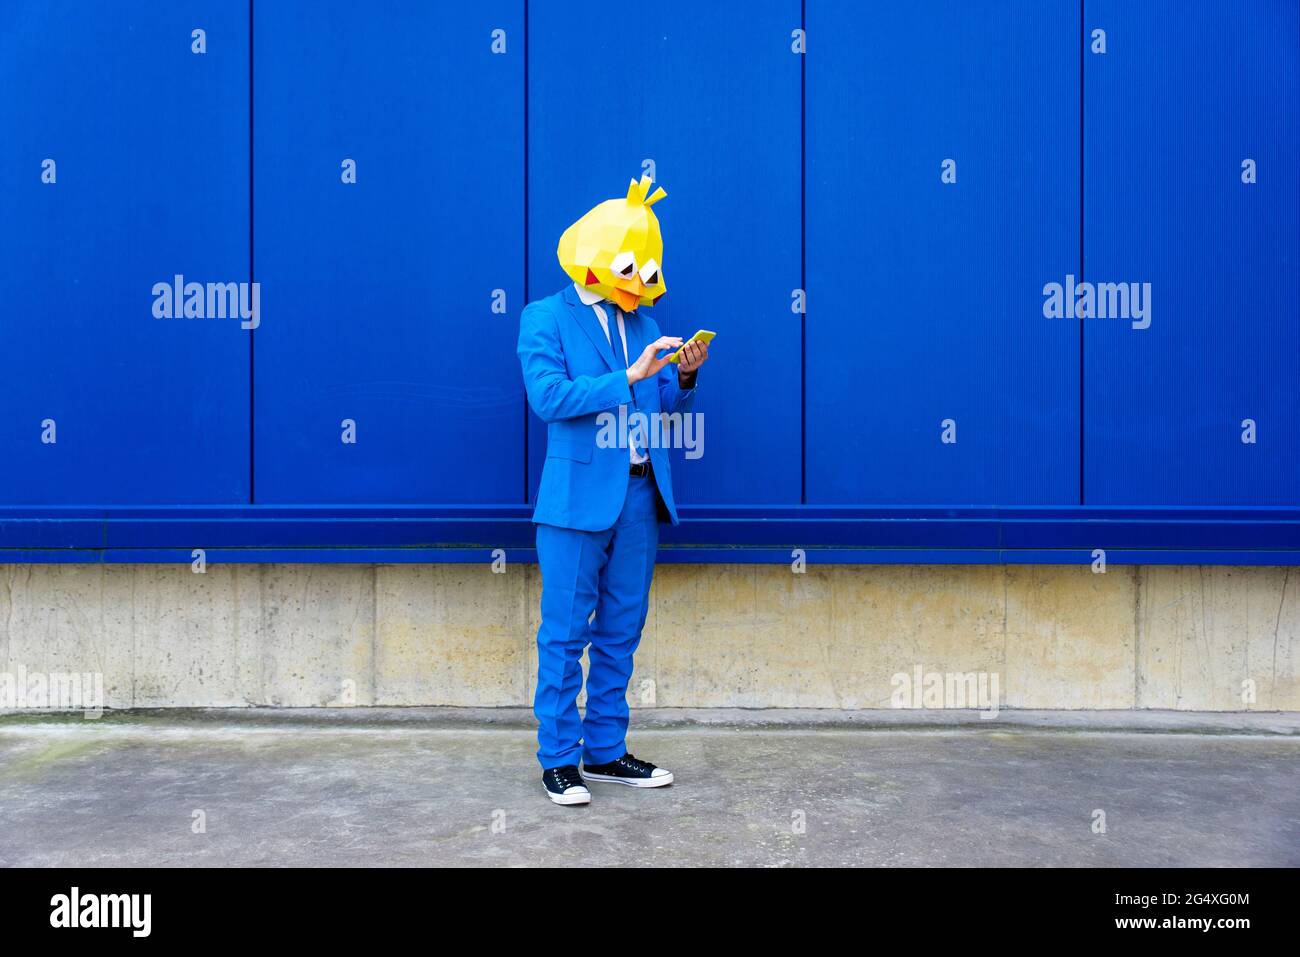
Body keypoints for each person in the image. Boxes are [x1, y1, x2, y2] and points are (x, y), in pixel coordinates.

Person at [517, 175, 710, 805]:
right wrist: (628, 375)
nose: (640, 284)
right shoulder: (545, 317)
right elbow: (548, 398)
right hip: (575, 504)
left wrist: (679, 379)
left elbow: (654, 405)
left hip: (638, 496)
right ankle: (558, 760)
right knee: (565, 633)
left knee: (621, 630)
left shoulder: (644, 319)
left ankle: (605, 751)